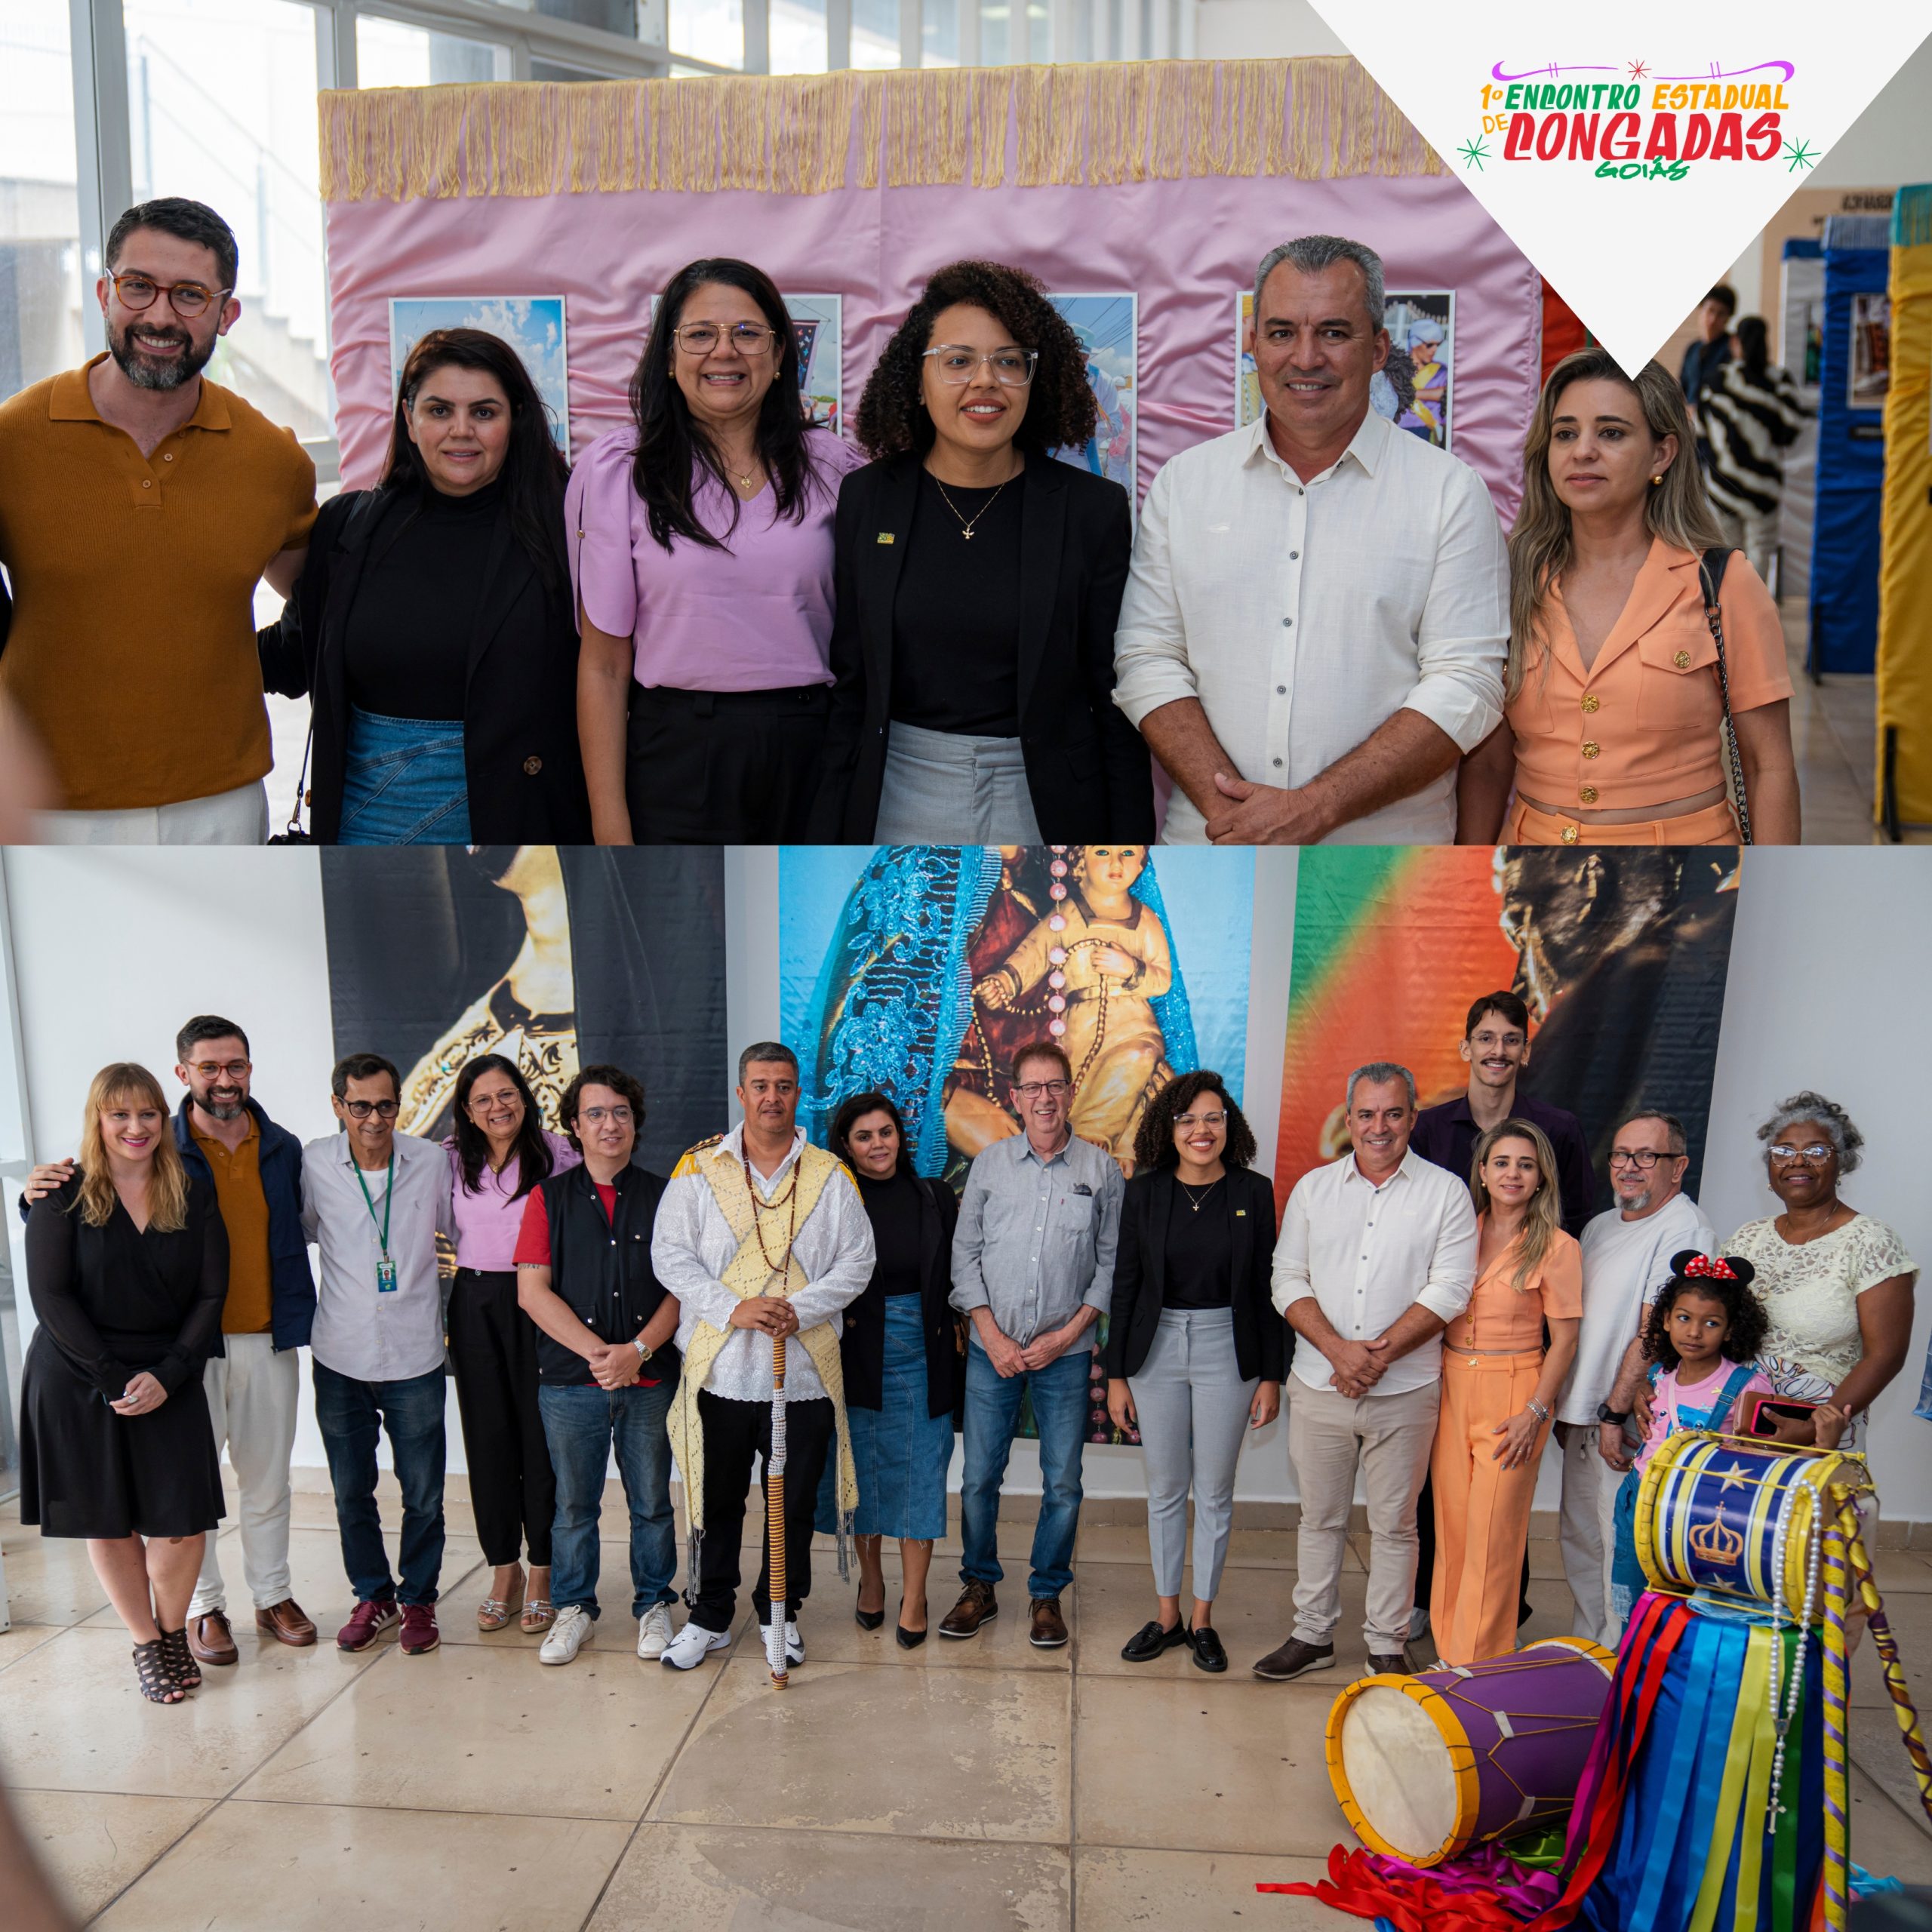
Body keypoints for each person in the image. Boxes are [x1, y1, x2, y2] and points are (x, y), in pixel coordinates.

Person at [1111, 234, 1507, 845]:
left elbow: (1467, 683)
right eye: (1281, 333)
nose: (1305, 357)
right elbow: (1147, 658)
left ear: (1378, 349)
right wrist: (1240, 812)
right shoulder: (1185, 485)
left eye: (1333, 332)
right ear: (1253, 344)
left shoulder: (1450, 493)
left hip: (1383, 869)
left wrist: (1315, 808)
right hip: (1215, 848)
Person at [0, 197, 315, 842]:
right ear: (105, 294)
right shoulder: (11, 441)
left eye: (190, 295)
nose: (160, 316)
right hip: (45, 811)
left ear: (227, 314)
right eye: (138, 286)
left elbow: (324, 605)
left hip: (222, 807)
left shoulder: (272, 458)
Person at [811, 259, 1153, 842]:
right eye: (958, 361)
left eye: (1009, 361)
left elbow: (1112, 696)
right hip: (893, 795)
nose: (985, 381)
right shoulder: (869, 498)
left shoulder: (1091, 510)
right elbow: (851, 686)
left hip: (1046, 803)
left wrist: (1130, 850)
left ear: (1034, 381)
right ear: (918, 380)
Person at [16, 1015, 319, 1669]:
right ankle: (202, 1611)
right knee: (171, 1500)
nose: (224, 1078)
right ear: (184, 1074)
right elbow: (72, 1251)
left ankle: (271, 1596)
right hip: (173, 1354)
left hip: (257, 1335)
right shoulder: (158, 1150)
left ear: (250, 1069)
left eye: (235, 1065)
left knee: (260, 1484)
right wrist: (31, 1199)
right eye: (209, 1067)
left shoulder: (282, 1146)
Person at [569, 258, 863, 844]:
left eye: (748, 333)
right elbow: (603, 666)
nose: (724, 352)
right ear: (668, 357)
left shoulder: (839, 469)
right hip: (676, 756)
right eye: (700, 334)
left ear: (779, 357)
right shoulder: (619, 471)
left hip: (814, 751)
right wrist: (609, 822)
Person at [1456, 349, 1801, 847]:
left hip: (1689, 874)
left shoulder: (1723, 582)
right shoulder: (1510, 578)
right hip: (1531, 868)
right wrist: (1468, 878)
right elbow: (1488, 764)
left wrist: (1778, 887)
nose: (1583, 451)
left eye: (1612, 433)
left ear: (1662, 454)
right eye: (1565, 434)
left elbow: (1769, 766)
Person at [260, 328, 589, 844]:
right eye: (439, 411)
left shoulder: (570, 531)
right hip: (365, 831)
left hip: (522, 836)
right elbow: (288, 655)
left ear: (516, 421)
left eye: (484, 412)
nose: (461, 430)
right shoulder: (347, 528)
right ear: (409, 420)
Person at [651, 1043, 874, 1670]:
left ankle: (781, 1612)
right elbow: (670, 1255)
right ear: (741, 1093)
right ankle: (709, 1616)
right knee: (717, 1501)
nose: (772, 1097)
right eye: (760, 1085)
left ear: (798, 1093)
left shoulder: (831, 1175)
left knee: (792, 1505)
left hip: (802, 1375)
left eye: (783, 1085)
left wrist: (798, 1309)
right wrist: (734, 1307)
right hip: (721, 1373)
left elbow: (858, 1261)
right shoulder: (698, 1169)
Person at [1258, 1061, 1476, 1681]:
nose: (1379, 1127)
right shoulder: (1314, 1190)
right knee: (1319, 1519)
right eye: (1367, 1114)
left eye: (1393, 1113)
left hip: (1406, 1390)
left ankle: (1386, 1643)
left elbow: (1451, 1288)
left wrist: (1375, 1356)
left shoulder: (1446, 1193)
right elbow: (1286, 1278)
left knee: (1396, 1526)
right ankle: (1312, 1635)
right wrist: (1339, 1351)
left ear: (1413, 1117)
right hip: (1320, 1383)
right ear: (1348, 1119)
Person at [19, 1065, 229, 1703]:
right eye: (120, 1115)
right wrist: (113, 1378)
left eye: (147, 1113)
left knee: (181, 1521)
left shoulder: (191, 1188)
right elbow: (51, 1298)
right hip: (78, 1374)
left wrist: (170, 1374)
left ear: (162, 1118)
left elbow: (211, 1293)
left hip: (169, 1370)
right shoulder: (60, 1194)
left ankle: (172, 1631)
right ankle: (146, 1643)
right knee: (108, 1521)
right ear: (98, 1120)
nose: (135, 1127)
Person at [942, 1039, 1124, 1649]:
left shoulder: (1101, 1172)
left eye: (1055, 1086)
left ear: (1070, 1092)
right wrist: (991, 1334)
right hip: (991, 1352)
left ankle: (1047, 1594)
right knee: (978, 1479)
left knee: (1063, 1482)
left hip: (1064, 1357)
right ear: (1015, 1097)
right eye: (1032, 1088)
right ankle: (979, 1586)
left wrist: (1067, 1335)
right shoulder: (990, 1166)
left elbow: (1109, 1267)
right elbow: (964, 1257)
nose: (1044, 1098)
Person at [1103, 1072, 1284, 1675]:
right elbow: (1125, 1284)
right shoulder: (1145, 1192)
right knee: (1164, 1489)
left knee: (1214, 1491)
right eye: (1187, 1120)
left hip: (1227, 1349)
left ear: (1229, 1126)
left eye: (1213, 1118)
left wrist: (1271, 1375)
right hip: (1155, 1351)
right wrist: (1117, 1375)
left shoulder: (1254, 1192)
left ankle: (1203, 1619)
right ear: (1169, 1128)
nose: (1201, 1130)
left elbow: (1266, 1289)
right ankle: (1167, 1616)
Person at [514, 1064, 681, 1666]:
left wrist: (637, 1352)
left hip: (650, 1380)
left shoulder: (668, 1197)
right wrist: (601, 1356)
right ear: (574, 1127)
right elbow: (532, 1292)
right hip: (570, 1384)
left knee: (652, 1502)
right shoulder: (548, 1199)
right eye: (595, 1114)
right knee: (573, 1507)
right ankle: (574, 1608)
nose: (610, 1124)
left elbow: (684, 1289)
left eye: (620, 1113)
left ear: (635, 1123)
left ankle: (655, 1603)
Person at [301, 1052, 454, 1656]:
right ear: (337, 1105)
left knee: (425, 1494)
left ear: (399, 1104)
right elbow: (304, 1229)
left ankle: (419, 1598)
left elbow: (462, 1229)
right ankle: (372, 1594)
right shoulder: (314, 1162)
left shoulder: (431, 1162)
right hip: (341, 1354)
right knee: (350, 1491)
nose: (374, 1118)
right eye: (360, 1105)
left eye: (386, 1105)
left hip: (416, 1354)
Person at [1558, 1109, 1716, 1648]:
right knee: (1581, 1538)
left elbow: (1656, 1331)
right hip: (1586, 1411)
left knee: (1620, 1543)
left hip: (1626, 1419)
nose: (1630, 1167)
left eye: (1647, 1156)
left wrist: (1615, 1412)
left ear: (1679, 1167)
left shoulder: (1686, 1229)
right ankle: (1589, 1647)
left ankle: (1619, 1660)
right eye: (1622, 1155)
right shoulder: (1600, 1226)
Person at [1429, 1120, 1580, 1666]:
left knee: (1493, 1537)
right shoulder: (1456, 1232)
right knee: (1452, 1530)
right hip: (1450, 1385)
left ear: (1541, 1178)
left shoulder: (1558, 1247)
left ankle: (1479, 1665)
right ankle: (1448, 1652)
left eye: (1525, 1164)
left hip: (1514, 1393)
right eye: (1502, 1162)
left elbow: (1565, 1341)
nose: (1512, 1173)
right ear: (1483, 1172)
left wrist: (1535, 1413)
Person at [820, 1092, 960, 1648]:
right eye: (864, 1136)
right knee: (864, 1478)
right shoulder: (835, 1201)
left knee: (922, 1478)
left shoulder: (935, 1196)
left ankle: (916, 1596)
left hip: (925, 1352)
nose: (878, 1144)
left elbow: (958, 1273)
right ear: (846, 1146)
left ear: (901, 1136)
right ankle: (873, 1580)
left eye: (886, 1132)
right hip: (857, 1355)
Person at [445, 1054, 575, 1636]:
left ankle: (544, 1569)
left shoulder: (558, 1153)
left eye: (506, 1094)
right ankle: (504, 1569)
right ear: (468, 1111)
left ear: (524, 1096)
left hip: (540, 1298)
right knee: (488, 1438)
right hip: (475, 1303)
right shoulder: (450, 1159)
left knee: (540, 1437)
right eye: (483, 1100)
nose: (497, 1107)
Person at [1602, 1255, 1789, 1637]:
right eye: (1684, 1318)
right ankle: (1633, 1656)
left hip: (1702, 1511)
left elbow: (1765, 1456)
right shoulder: (1659, 1376)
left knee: (1688, 1601)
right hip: (1640, 1499)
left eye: (1711, 1323)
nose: (1694, 1332)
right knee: (1635, 1592)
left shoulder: (1747, 1387)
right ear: (1666, 1320)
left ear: (1730, 1330)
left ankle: (1680, 1661)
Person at [1721, 1091, 1918, 1454]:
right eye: (1783, 1151)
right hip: (1729, 1422)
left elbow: (1886, 1355)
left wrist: (1812, 1428)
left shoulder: (1871, 1241)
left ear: (1840, 1163)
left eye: (1816, 1151)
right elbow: (1703, 1318)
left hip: (1819, 1434)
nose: (1798, 1161)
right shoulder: (1747, 1238)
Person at [971, 843, 1174, 1164]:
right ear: (1080, 863)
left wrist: (1130, 968)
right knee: (1078, 1086)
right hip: (1079, 1024)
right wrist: (1004, 983)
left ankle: (1096, 1138)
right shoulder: (1065, 915)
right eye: (1103, 853)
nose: (1116, 863)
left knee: (1140, 1059)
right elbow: (1034, 954)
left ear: (1140, 865)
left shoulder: (1145, 920)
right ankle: (1099, 1148)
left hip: (1134, 1022)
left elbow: (1162, 979)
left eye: (1128, 854)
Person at [1411, 992, 1595, 1239]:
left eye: (1511, 1040)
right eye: (1486, 1038)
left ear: (1525, 1051)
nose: (1498, 1051)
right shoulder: (1425, 1129)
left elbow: (1576, 1221)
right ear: (1466, 1049)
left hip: (1534, 1263)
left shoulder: (1560, 1129)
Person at [1699, 316, 1806, 586]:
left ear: (1736, 343)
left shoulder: (1717, 380)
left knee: (1725, 557)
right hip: (1763, 486)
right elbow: (1792, 431)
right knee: (1759, 555)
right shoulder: (1779, 380)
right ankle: (1754, 609)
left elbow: (1700, 433)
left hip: (1722, 484)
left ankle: (1725, 610)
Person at [1679, 285, 1737, 442]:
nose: (1713, 319)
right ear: (1701, 310)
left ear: (1728, 318)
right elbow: (1682, 388)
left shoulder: (1732, 349)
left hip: (1718, 430)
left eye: (1721, 314)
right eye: (1710, 310)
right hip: (1690, 428)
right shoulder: (1692, 348)